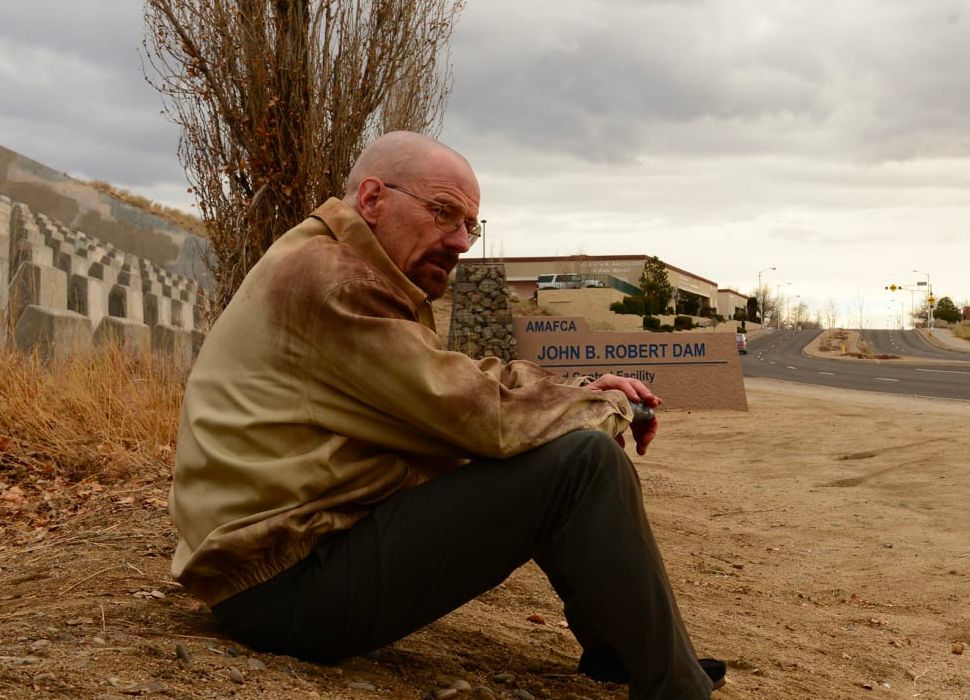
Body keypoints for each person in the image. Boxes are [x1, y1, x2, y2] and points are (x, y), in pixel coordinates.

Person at [168, 131, 722, 699]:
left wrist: (577, 393)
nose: (460, 241)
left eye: (469, 225)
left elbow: (453, 377)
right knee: (582, 463)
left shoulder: (337, 262)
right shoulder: (338, 282)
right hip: (284, 583)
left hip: (287, 562)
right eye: (443, 214)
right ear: (373, 198)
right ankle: (676, 689)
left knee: (564, 451)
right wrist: (600, 408)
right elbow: (483, 418)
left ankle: (625, 646)